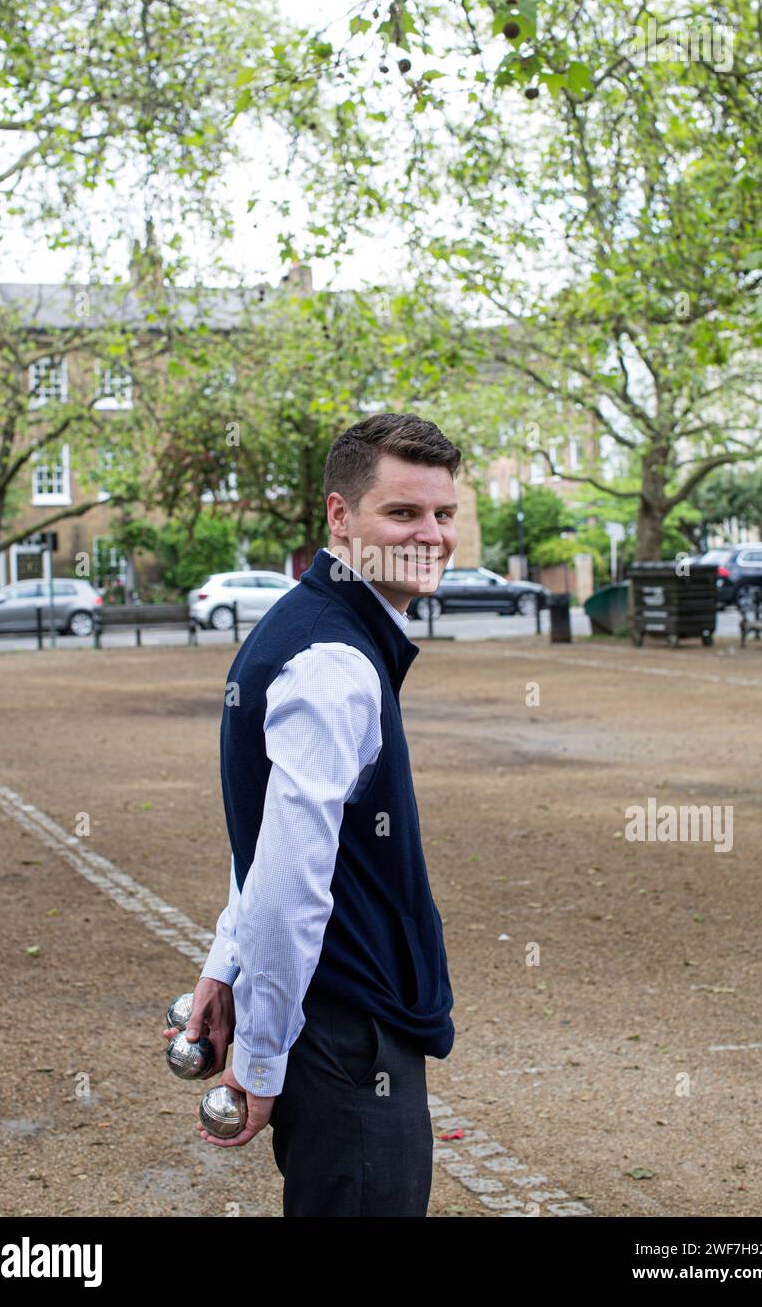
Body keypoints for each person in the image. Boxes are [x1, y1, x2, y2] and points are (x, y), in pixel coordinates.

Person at [163, 411, 460, 1216]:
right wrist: (258, 1063)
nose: (431, 534)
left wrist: (225, 964)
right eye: (403, 512)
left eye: (443, 514)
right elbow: (293, 885)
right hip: (349, 1035)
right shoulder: (332, 662)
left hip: (341, 1025)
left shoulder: (319, 627)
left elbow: (268, 838)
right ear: (340, 516)